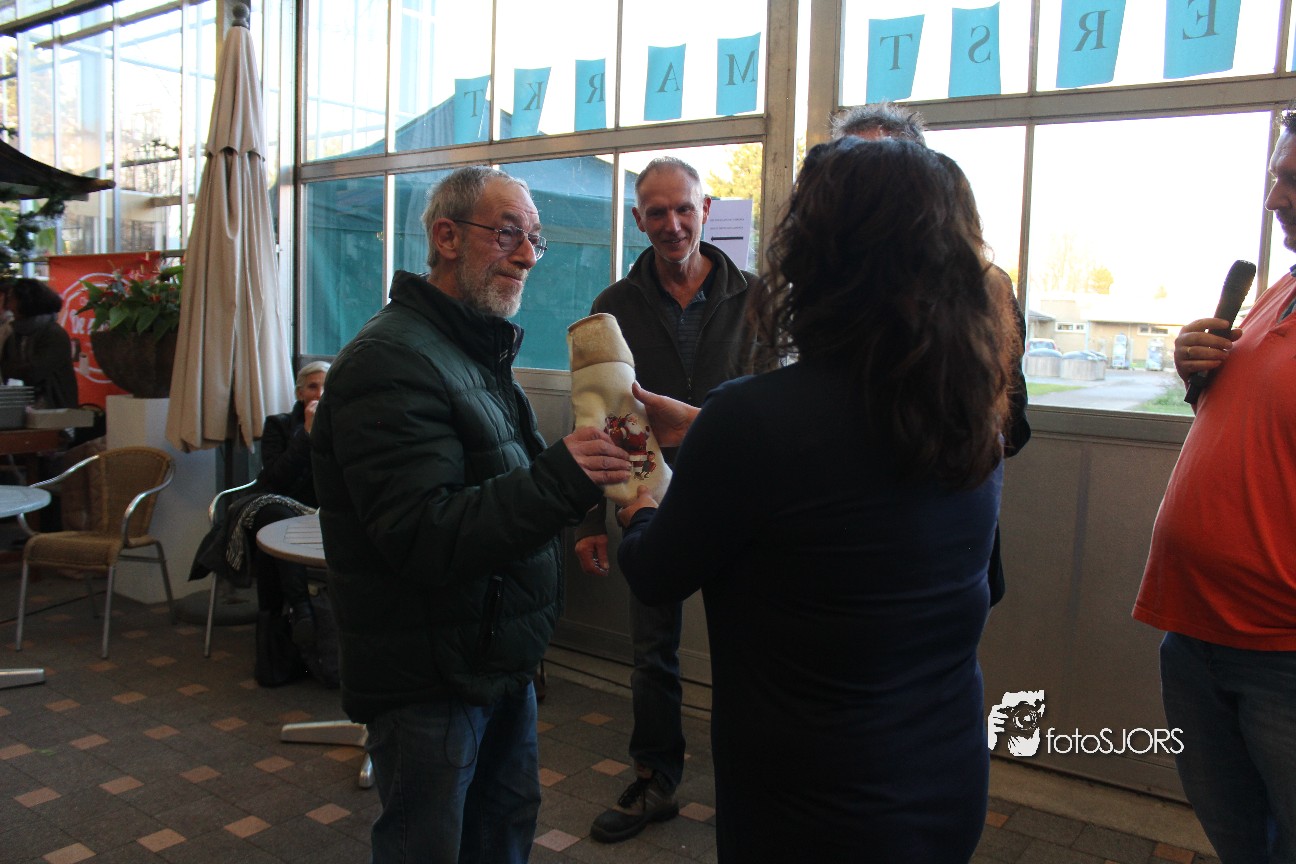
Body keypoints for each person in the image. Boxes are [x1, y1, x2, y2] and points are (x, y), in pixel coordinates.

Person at [613, 137, 1015, 862]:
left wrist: (642, 494)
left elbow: (655, 571)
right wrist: (712, 434)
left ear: (815, 258)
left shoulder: (753, 420)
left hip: (810, 807)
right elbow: (965, 570)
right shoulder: (967, 414)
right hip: (945, 777)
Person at [310, 165, 631, 864]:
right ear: (447, 237)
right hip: (432, 677)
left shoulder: (470, 348)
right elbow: (423, 535)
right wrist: (563, 474)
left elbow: (500, 484)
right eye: (508, 233)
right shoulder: (389, 361)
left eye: (535, 239)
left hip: (490, 657)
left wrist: (586, 466)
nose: (527, 256)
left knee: (501, 832)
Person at [573, 156, 769, 844]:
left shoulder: (755, 297)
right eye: (656, 212)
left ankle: (759, 779)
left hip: (740, 500)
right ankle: (655, 778)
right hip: (645, 501)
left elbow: (776, 409)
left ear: (705, 209)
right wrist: (588, 519)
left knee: (751, 648)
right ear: (638, 219)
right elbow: (593, 416)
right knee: (652, 651)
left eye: (684, 208)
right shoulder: (612, 306)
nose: (673, 224)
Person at [1133, 109, 1296, 864]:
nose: (1274, 199)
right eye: (1275, 178)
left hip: (1280, 647)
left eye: (1292, 181)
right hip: (1198, 629)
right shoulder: (1280, 289)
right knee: (1240, 840)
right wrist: (1196, 373)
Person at [0, 276, 77, 409]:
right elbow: (7, 369)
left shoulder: (53, 334)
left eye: (11, 299)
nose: (8, 306)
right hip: (23, 407)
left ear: (25, 301)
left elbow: (35, 372)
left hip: (56, 408)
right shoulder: (15, 334)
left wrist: (14, 369)